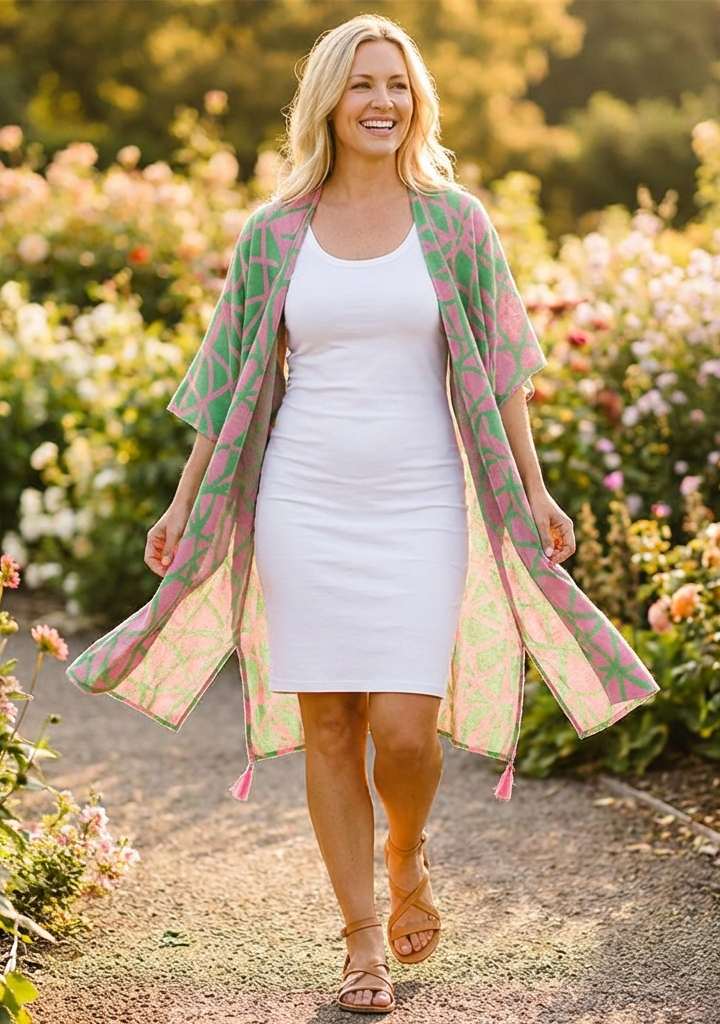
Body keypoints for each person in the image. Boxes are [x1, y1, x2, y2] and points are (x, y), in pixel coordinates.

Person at [67, 12, 659, 1016]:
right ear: (329, 102)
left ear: (414, 98)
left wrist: (535, 481)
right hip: (302, 495)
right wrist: (182, 504)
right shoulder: (274, 233)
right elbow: (224, 381)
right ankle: (358, 943)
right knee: (330, 726)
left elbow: (507, 367)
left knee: (403, 728)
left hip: (423, 493)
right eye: (361, 84)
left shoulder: (457, 221)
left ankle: (408, 849)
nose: (381, 100)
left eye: (396, 83)